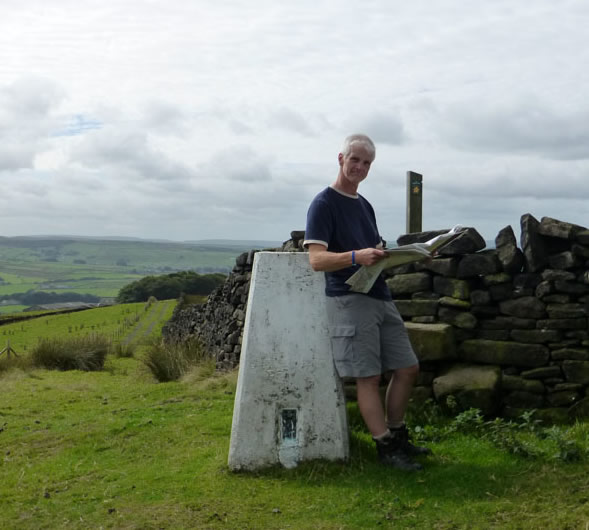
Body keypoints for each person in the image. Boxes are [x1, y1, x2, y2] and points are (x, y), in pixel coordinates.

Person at [303, 133, 430, 471]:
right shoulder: (323, 204)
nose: (360, 166)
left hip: (378, 294)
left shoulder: (364, 205)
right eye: (355, 159)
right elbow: (316, 260)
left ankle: (398, 434)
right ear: (340, 158)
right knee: (368, 377)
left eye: (367, 162)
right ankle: (386, 448)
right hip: (348, 299)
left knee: (407, 367)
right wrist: (357, 256)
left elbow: (371, 250)